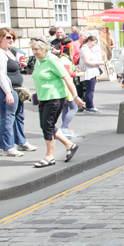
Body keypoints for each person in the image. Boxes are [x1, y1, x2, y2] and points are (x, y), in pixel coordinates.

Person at [29, 38, 84, 167]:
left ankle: (49, 156)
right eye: (32, 49)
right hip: (44, 97)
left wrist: (76, 97)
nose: (34, 52)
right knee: (46, 126)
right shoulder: (39, 61)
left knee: (47, 126)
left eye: (36, 49)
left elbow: (67, 78)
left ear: (44, 49)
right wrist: (37, 96)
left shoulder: (52, 60)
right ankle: (69, 145)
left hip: (55, 97)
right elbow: (39, 80)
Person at [0, 28, 35, 157]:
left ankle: (21, 142)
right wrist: (8, 92)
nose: (11, 40)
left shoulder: (8, 51)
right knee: (7, 117)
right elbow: (0, 75)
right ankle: (7, 147)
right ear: (0, 38)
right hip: (3, 90)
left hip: (15, 89)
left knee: (19, 115)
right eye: (8, 37)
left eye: (13, 38)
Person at [58, 37, 83, 137]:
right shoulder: (65, 59)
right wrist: (77, 74)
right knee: (74, 107)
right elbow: (67, 73)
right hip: (67, 87)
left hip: (64, 86)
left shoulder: (63, 58)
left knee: (65, 108)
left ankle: (65, 128)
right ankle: (64, 127)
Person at [79, 35, 104, 113]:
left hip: (88, 71)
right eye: (94, 42)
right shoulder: (85, 49)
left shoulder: (86, 49)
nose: (94, 44)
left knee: (89, 90)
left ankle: (89, 106)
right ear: (89, 40)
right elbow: (87, 62)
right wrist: (99, 63)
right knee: (90, 90)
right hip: (89, 72)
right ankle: (90, 107)